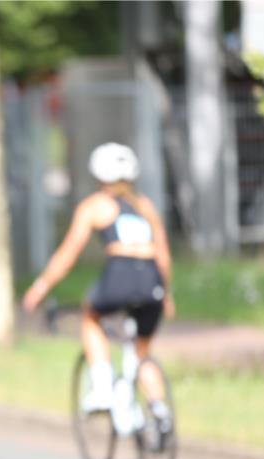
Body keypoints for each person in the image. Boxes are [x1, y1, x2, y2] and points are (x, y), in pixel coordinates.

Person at [22, 142, 175, 431]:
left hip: (120, 274)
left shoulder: (96, 206)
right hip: (152, 278)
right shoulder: (146, 207)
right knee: (142, 349)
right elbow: (163, 254)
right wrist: (166, 293)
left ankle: (103, 390)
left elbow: (68, 253)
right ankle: (159, 409)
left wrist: (41, 287)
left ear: (99, 176)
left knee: (91, 316)